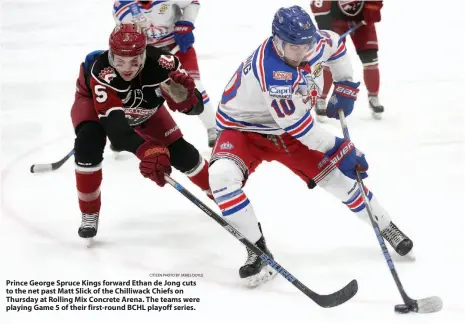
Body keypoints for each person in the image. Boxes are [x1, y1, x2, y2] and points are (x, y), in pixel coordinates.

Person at [208, 6, 412, 287]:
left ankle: (386, 225)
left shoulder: (317, 42)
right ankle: (257, 251)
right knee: (220, 176)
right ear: (277, 41)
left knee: (339, 180)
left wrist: (345, 85)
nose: (302, 53)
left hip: (289, 129)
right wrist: (340, 148)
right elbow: (299, 127)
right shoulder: (273, 72)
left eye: (306, 45)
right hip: (243, 128)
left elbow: (337, 47)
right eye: (293, 47)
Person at [71, 23, 211, 243]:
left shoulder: (165, 64)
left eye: (134, 61)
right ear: (110, 55)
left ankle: (222, 196)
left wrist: (187, 100)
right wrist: (148, 150)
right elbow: (117, 129)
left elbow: (198, 108)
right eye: (120, 61)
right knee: (88, 141)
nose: (127, 68)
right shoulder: (101, 70)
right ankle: (89, 212)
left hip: (144, 105)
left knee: (183, 154)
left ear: (145, 54)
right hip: (95, 105)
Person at [113, 0, 218, 147]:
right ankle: (130, 133)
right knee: (137, 95)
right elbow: (123, 35)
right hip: (148, 55)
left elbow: (193, 2)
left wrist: (186, 24)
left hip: (177, 47)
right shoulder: (122, 7)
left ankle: (214, 128)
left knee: (194, 86)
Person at [310, 0, 384, 119]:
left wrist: (373, 7)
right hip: (336, 20)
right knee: (330, 59)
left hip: (362, 19)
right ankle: (321, 98)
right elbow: (319, 6)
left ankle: (373, 97)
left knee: (370, 58)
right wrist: (326, 28)